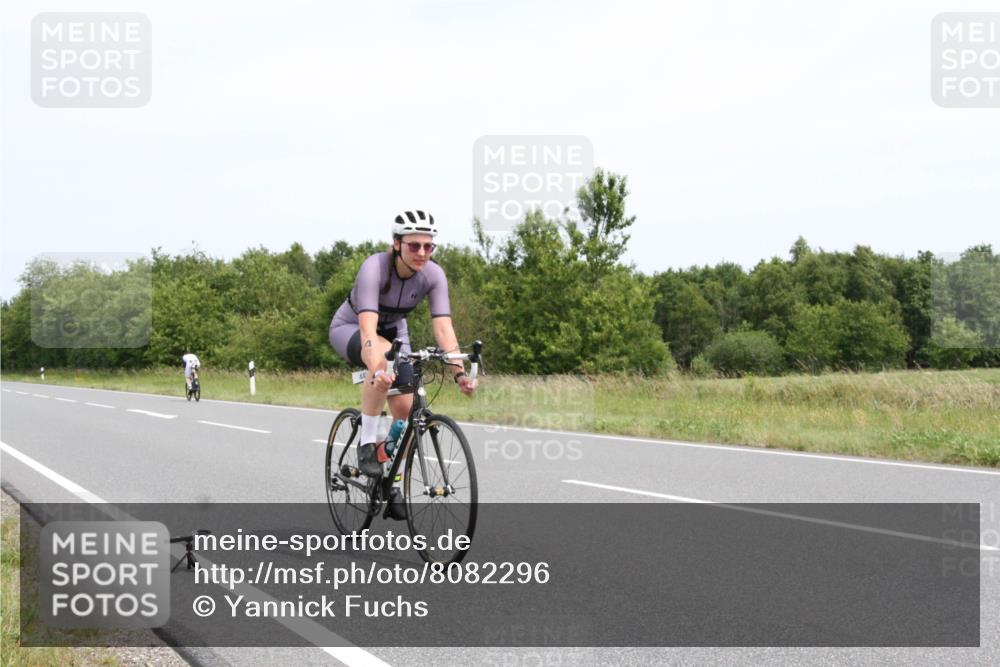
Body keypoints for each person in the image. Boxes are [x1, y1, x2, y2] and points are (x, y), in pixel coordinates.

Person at [329, 210, 476, 477]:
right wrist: (379, 370)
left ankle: (394, 483)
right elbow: (368, 329)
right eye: (414, 245)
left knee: (408, 413)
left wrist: (459, 373)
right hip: (352, 327)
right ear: (397, 243)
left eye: (428, 246)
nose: (422, 253)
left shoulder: (433, 275)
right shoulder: (374, 267)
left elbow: (444, 328)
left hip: (396, 331)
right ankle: (367, 445)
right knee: (384, 357)